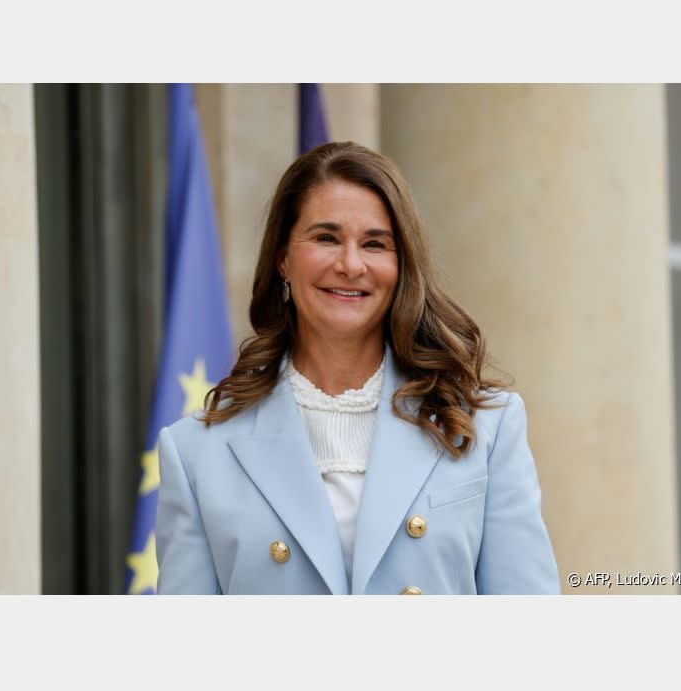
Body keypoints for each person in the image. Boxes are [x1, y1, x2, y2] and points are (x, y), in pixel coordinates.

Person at [155, 141, 560, 594]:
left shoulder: (486, 427)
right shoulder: (195, 452)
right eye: (326, 238)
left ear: (401, 265)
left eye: (375, 244)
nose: (351, 264)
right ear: (283, 258)